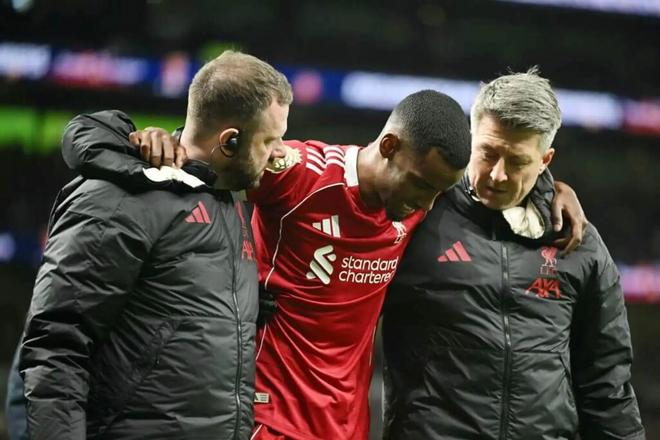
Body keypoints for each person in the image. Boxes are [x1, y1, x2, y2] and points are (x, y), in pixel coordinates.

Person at [59, 89, 585, 440]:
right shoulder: (299, 173)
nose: (428, 206)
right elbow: (215, 152)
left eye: (437, 192)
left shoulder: (424, 198)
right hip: (266, 415)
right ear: (389, 146)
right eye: (422, 186)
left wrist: (551, 189)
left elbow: (497, 185)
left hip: (346, 425)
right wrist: (157, 139)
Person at [19, 50, 293, 440]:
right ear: (229, 141)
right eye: (269, 140)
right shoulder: (118, 198)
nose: (279, 152)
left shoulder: (226, 201)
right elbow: (57, 347)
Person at [382, 69, 645, 440]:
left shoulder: (578, 243)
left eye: (518, 161)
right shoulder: (416, 217)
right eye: (487, 153)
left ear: (545, 159)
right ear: (470, 138)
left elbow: (607, 386)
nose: (498, 175)